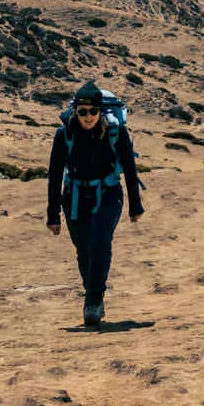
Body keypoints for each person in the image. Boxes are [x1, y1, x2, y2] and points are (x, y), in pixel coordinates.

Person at [48, 80, 146, 328]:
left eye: (93, 111)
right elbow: (55, 174)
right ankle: (95, 295)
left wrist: (136, 205)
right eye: (82, 111)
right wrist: (53, 214)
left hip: (109, 193)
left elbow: (131, 170)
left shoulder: (116, 132)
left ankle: (92, 301)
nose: (88, 116)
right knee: (84, 251)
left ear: (101, 110)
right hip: (74, 197)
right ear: (75, 112)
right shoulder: (64, 135)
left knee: (100, 239)